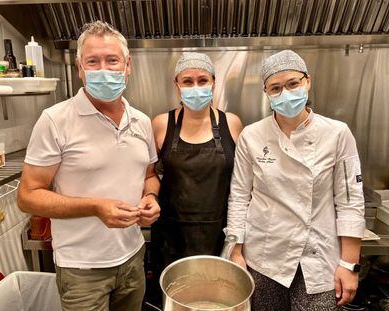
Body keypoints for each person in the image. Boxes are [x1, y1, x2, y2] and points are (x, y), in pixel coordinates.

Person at [17, 21, 160, 311]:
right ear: (80, 68)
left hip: (133, 257)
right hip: (81, 269)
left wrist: (151, 197)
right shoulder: (55, 120)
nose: (104, 70)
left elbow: (149, 174)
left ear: (128, 65)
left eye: (112, 60)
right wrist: (95, 207)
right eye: (93, 62)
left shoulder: (142, 121)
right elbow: (28, 196)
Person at [227, 50, 365, 311]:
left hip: (318, 255)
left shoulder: (336, 133)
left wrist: (349, 264)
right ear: (267, 93)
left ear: (307, 82)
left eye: (293, 84)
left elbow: (350, 200)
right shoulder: (252, 136)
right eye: (276, 88)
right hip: (264, 257)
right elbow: (239, 197)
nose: (286, 93)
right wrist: (235, 251)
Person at [151, 51, 243, 276]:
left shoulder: (231, 123)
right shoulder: (162, 124)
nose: (196, 87)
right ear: (177, 85)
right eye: (188, 81)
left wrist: (238, 244)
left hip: (219, 234)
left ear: (213, 84)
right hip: (171, 237)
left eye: (202, 80)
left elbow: (242, 184)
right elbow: (149, 174)